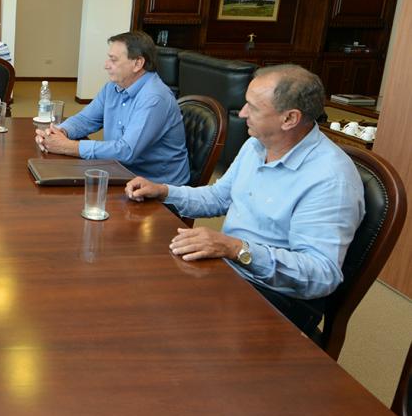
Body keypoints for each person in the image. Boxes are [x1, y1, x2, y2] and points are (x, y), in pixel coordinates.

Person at [125, 64, 364, 333]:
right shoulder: (257, 143)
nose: (242, 113)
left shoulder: (331, 180)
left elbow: (320, 275)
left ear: (290, 119)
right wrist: (165, 191)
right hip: (228, 270)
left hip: (276, 298)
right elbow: (218, 196)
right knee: (136, 282)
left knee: (160, 323)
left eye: (253, 107)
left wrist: (237, 248)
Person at [35, 30, 189, 185]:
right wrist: (59, 132)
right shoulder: (113, 87)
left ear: (137, 63)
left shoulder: (154, 98)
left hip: (156, 187)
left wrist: (69, 147)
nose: (106, 66)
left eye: (113, 60)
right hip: (120, 172)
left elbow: (126, 151)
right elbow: (85, 119)